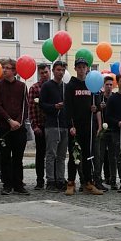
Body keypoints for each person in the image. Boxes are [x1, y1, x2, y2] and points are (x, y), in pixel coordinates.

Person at [64, 57, 103, 195]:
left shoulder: (92, 84)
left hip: (89, 127)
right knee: (74, 156)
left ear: (87, 69)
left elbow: (98, 105)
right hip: (75, 127)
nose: (81, 70)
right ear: (75, 69)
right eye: (79, 67)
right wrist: (70, 126)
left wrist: (95, 107)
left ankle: (88, 183)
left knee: (88, 156)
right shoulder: (71, 86)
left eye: (84, 67)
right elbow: (67, 108)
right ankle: (70, 183)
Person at [0, 58, 29, 195]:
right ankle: (7, 185)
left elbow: (25, 106)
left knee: (18, 158)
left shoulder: (22, 86)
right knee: (5, 157)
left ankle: (18, 184)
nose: (4, 70)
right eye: (3, 68)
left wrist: (18, 122)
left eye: (7, 68)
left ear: (14, 70)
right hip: (4, 127)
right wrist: (9, 120)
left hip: (19, 129)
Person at [40, 60, 68, 192]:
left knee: (62, 155)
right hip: (51, 125)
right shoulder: (47, 86)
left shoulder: (66, 87)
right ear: (53, 71)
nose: (60, 72)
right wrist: (54, 107)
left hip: (64, 125)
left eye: (62, 70)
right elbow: (42, 105)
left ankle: (60, 179)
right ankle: (50, 180)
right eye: (58, 70)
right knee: (51, 154)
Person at [28, 63, 50, 190]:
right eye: (41, 73)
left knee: (52, 154)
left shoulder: (54, 86)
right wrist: (34, 126)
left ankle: (52, 179)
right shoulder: (34, 88)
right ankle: (40, 180)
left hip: (52, 126)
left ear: (49, 72)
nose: (44, 75)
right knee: (40, 154)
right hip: (40, 126)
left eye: (46, 72)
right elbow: (31, 108)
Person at [94, 76, 114, 190]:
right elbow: (95, 111)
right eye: (107, 85)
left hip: (112, 130)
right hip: (101, 131)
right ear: (103, 86)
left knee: (112, 157)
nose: (109, 87)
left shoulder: (114, 98)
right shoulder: (99, 97)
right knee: (99, 156)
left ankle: (111, 178)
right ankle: (97, 178)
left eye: (111, 85)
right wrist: (99, 107)